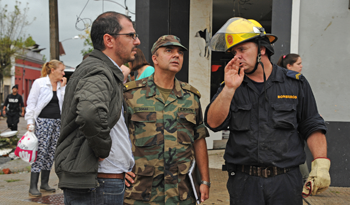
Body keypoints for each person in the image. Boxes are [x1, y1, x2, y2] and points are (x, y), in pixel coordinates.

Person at [205, 17, 330, 205]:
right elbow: (213, 123)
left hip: (285, 182)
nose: (236, 56)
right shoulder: (231, 86)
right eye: (234, 51)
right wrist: (229, 89)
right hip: (244, 182)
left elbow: (311, 125)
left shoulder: (295, 84)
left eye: (242, 49)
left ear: (261, 49)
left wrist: (321, 163)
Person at [54, 11, 140, 205]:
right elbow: (90, 113)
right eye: (131, 35)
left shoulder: (106, 71)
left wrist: (120, 166)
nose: (137, 41)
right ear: (109, 40)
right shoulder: (98, 70)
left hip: (104, 181)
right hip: (99, 186)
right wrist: (103, 150)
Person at [123, 35, 210, 204]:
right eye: (169, 51)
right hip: (141, 192)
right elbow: (117, 135)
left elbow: (199, 139)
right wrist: (118, 170)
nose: (176, 55)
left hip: (181, 192)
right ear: (154, 58)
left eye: (180, 53)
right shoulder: (131, 95)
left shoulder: (190, 97)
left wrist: (204, 181)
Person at [24, 59, 66, 197]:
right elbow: (31, 103)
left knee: (50, 153)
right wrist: (30, 121)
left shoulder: (61, 85)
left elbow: (65, 103)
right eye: (61, 70)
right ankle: (33, 186)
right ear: (52, 70)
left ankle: (44, 183)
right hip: (43, 122)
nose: (63, 73)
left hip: (57, 122)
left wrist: (63, 87)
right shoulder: (40, 83)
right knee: (40, 153)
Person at [277, 53, 309, 182]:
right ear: (289, 66)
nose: (301, 66)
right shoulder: (281, 84)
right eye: (298, 64)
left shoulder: (300, 82)